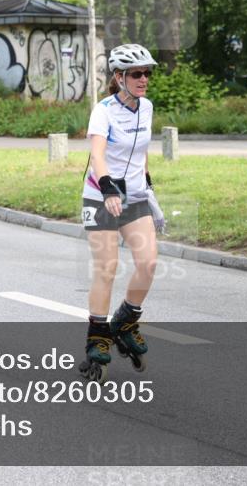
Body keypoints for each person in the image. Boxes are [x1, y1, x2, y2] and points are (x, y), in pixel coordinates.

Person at [79, 44, 159, 382]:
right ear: (119, 77)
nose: (144, 79)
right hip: (100, 195)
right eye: (136, 74)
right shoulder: (104, 110)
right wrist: (109, 188)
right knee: (107, 266)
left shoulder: (148, 107)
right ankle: (98, 336)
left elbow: (140, 154)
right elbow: (97, 155)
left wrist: (149, 188)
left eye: (147, 73)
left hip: (136, 195)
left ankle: (124, 322)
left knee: (149, 262)